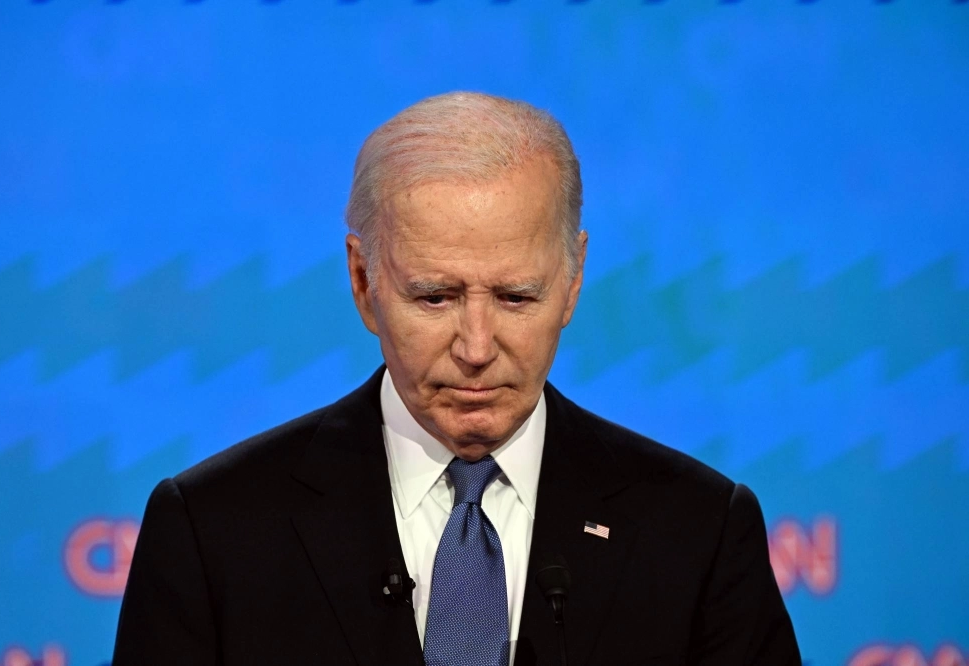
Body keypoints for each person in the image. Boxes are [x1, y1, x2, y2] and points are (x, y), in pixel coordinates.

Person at [113, 91, 801, 666]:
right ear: (362, 281)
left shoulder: (697, 532)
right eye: (435, 297)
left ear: (573, 279)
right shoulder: (214, 532)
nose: (476, 348)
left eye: (516, 298)